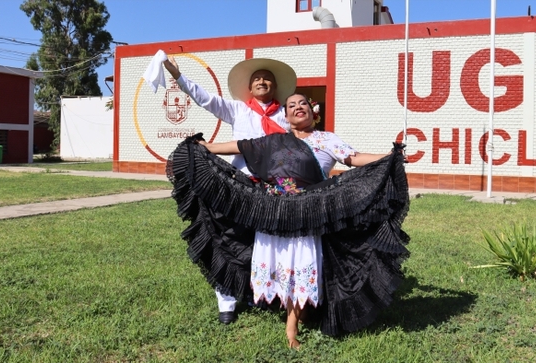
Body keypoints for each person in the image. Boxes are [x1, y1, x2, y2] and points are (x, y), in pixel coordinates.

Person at [167, 93, 410, 348]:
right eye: (291, 105)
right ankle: (293, 314)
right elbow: (242, 145)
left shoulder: (325, 139)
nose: (297, 108)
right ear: (286, 115)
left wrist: (390, 157)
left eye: (302, 103)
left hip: (308, 212)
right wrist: (207, 148)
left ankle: (291, 326)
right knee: (280, 263)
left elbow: (354, 158)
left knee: (300, 263)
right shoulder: (275, 140)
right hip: (274, 211)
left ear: (312, 110)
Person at [162, 54, 297, 325]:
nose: (262, 81)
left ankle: (260, 294)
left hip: (274, 189)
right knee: (230, 238)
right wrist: (178, 76)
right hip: (239, 184)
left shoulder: (285, 115)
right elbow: (206, 99)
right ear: (250, 87)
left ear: (275, 86)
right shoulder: (238, 110)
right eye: (257, 78)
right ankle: (227, 301)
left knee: (267, 244)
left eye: (267, 79)